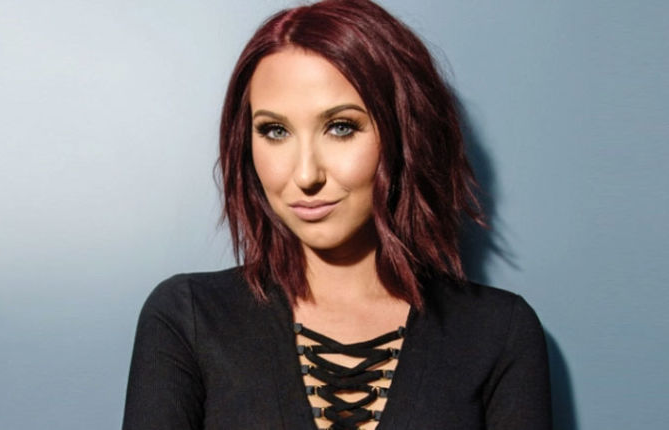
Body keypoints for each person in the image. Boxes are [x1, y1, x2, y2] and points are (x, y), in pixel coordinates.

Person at [122, 0, 552, 429]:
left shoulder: (498, 333)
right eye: (275, 131)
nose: (306, 174)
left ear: (405, 134)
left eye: (341, 127)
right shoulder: (190, 319)